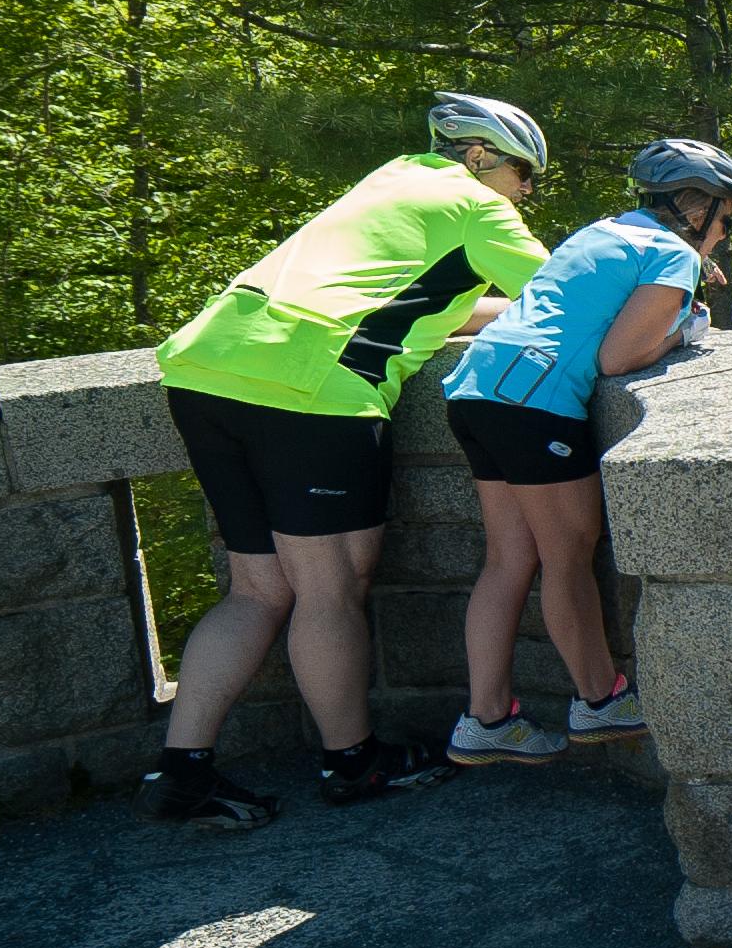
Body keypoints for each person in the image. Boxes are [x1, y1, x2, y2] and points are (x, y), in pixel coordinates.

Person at [141, 93, 555, 826]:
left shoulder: (392, 178)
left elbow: (419, 303)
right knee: (329, 588)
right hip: (309, 392)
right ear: (481, 156)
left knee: (257, 590)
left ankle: (183, 771)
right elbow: (563, 300)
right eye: (524, 172)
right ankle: (354, 762)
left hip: (206, 369)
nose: (527, 190)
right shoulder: (478, 207)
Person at [436, 138, 732, 766]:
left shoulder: (604, 232)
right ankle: (599, 701)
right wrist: (685, 327)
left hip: (478, 388)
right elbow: (619, 357)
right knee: (567, 556)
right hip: (534, 400)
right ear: (697, 210)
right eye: (725, 219)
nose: (723, 234)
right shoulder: (670, 253)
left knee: (508, 559)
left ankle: (487, 718)